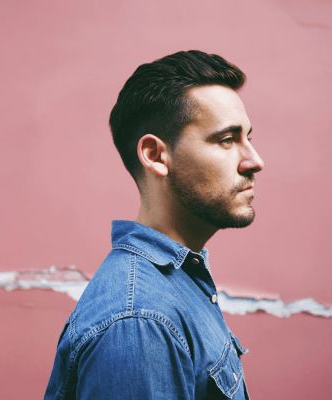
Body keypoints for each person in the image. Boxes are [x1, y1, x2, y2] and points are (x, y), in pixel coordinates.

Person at [44, 50, 264, 400]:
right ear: (155, 155)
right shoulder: (139, 323)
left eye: (249, 138)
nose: (255, 161)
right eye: (227, 140)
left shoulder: (178, 282)